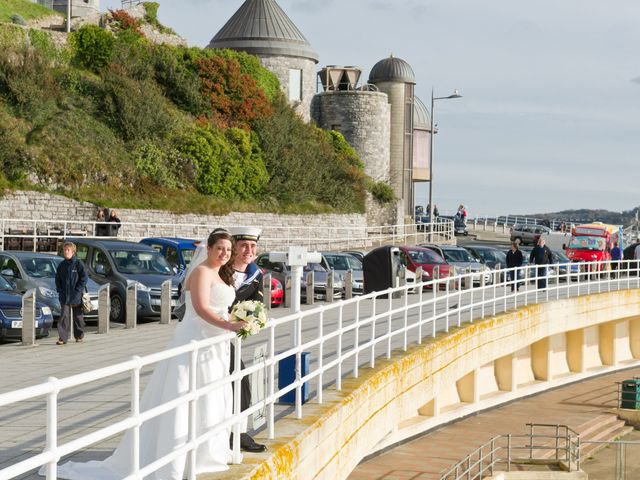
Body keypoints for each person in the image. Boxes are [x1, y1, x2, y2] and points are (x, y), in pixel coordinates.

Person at [45, 230, 247, 479]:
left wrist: (239, 320)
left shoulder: (219, 273)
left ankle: (206, 450)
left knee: (211, 393)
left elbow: (219, 307)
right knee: (186, 392)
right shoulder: (202, 272)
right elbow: (201, 308)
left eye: (228, 249)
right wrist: (229, 325)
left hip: (216, 343)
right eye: (220, 248)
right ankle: (177, 455)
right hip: (197, 338)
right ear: (208, 248)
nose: (225, 253)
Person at [229, 226, 267, 453]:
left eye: (252, 246)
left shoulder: (255, 275)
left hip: (232, 337)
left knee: (241, 381)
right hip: (212, 333)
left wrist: (252, 323)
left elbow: (257, 306)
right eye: (243, 245)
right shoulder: (220, 270)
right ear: (234, 247)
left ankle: (239, 432)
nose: (248, 250)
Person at [55, 242, 88, 345]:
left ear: (73, 252)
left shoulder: (78, 264)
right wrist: (59, 290)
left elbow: (84, 278)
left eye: (68, 250)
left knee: (78, 317)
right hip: (64, 295)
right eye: (65, 250)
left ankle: (79, 335)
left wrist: (78, 290)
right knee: (64, 316)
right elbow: (57, 279)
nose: (66, 252)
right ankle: (63, 338)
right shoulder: (61, 265)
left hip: (76, 295)